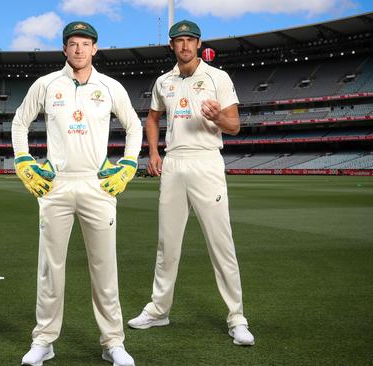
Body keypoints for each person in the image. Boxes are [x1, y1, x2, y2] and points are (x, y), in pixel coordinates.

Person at [12, 21, 142, 366]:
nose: (79, 49)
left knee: (104, 266)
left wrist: (128, 164)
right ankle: (44, 340)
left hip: (97, 185)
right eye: (73, 43)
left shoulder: (110, 87)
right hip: (56, 185)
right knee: (50, 267)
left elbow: (134, 125)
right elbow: (19, 122)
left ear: (95, 49)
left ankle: (113, 342)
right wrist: (23, 160)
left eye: (86, 43)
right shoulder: (46, 84)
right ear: (65, 49)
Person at [127, 20, 255, 346]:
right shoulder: (163, 82)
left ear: (198, 44)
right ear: (171, 45)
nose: (184, 45)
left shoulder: (218, 77)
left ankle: (236, 317)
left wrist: (217, 118)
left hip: (206, 160)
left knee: (221, 244)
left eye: (190, 40)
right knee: (166, 244)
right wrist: (154, 152)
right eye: (179, 40)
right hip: (173, 164)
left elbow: (235, 125)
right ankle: (159, 310)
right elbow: (153, 118)